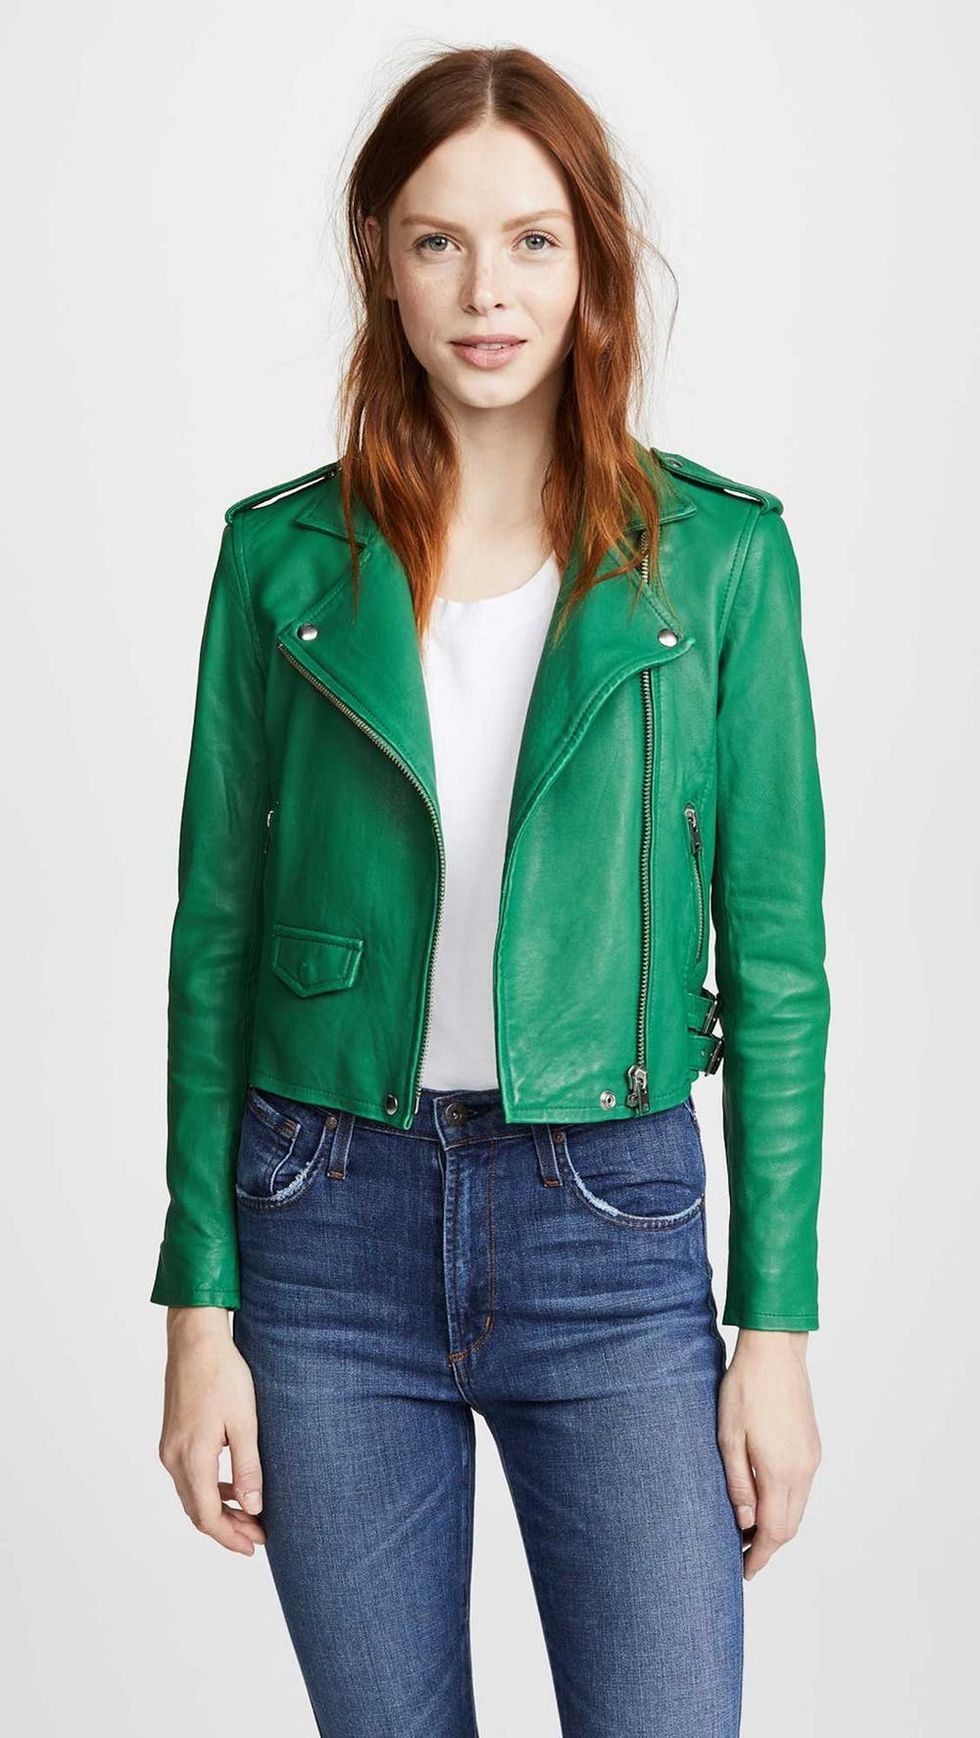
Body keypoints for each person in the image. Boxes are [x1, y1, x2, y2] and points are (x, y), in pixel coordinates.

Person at [152, 44, 829, 1738]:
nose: (487, 291)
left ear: (590, 259)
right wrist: (196, 1311)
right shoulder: (281, 561)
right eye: (439, 241)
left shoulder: (718, 560)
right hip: (323, 1223)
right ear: (380, 258)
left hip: (613, 1219)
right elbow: (215, 941)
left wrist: (775, 1329)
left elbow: (781, 964)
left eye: (532, 240)